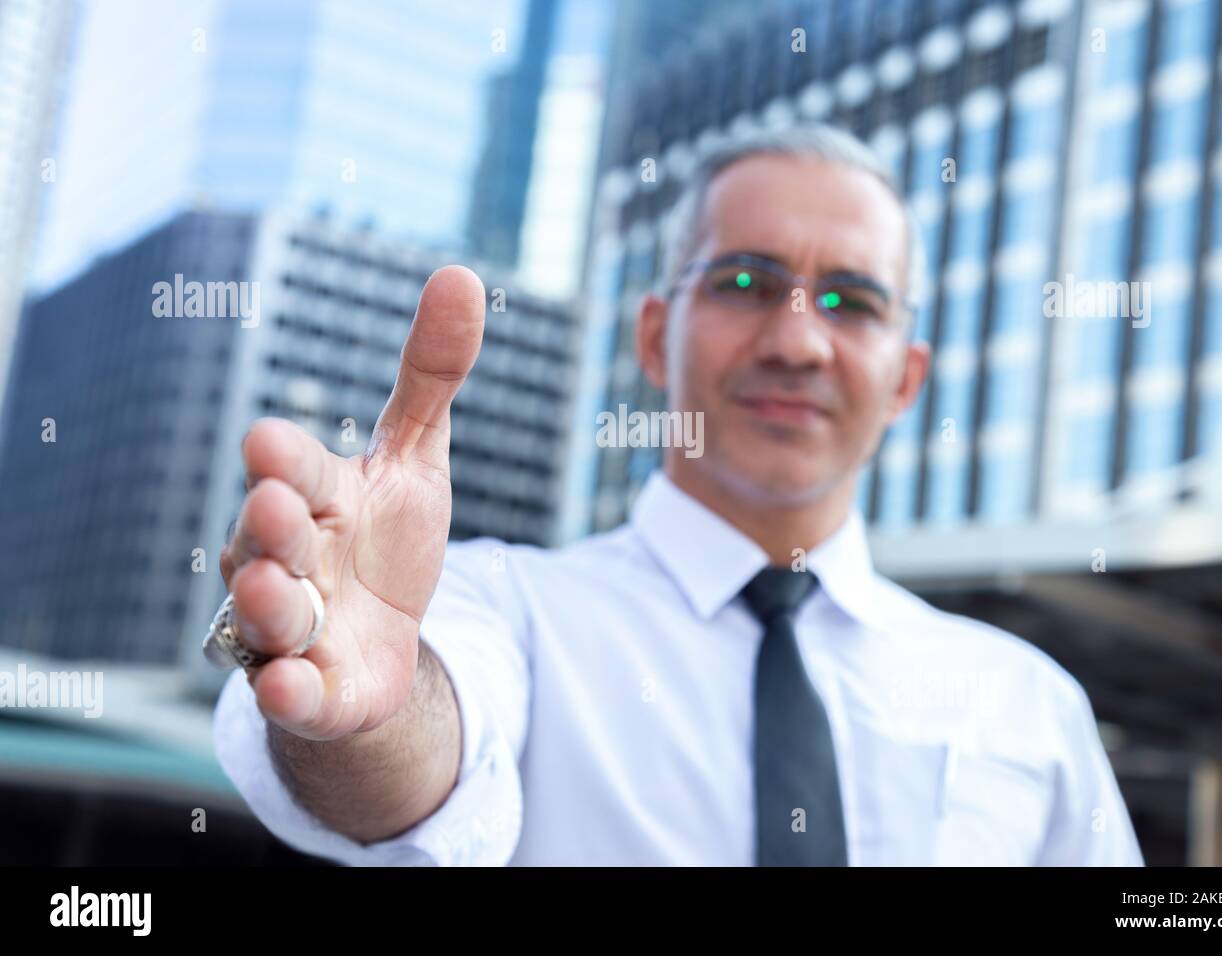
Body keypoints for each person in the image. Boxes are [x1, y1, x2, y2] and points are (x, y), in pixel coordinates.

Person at [210, 123, 1143, 866]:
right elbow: (425, 754)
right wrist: (374, 715)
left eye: (853, 303)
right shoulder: (505, 610)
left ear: (906, 379)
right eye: (745, 282)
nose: (800, 344)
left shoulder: (1028, 707)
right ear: (655, 338)